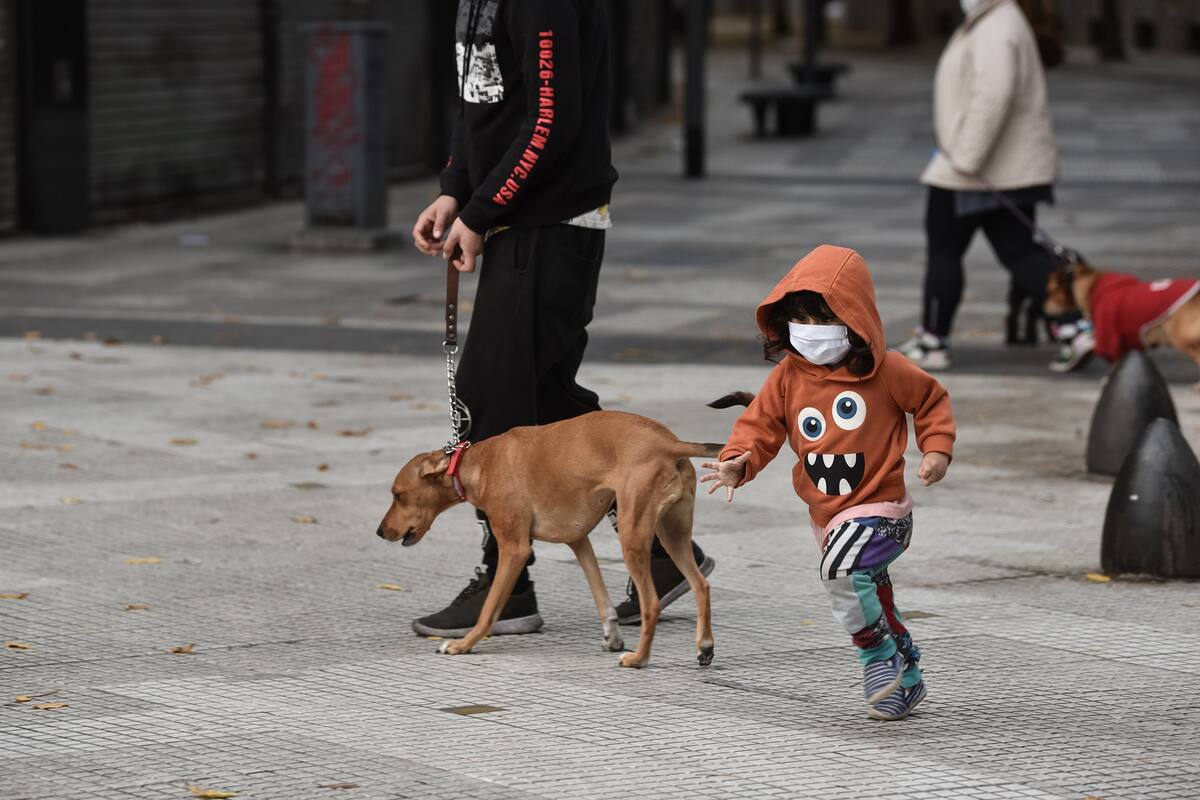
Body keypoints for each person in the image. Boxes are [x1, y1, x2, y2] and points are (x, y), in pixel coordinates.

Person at [409, 0, 713, 639]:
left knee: (490, 399)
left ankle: (509, 581)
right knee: (545, 398)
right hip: (518, 219)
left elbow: (549, 122)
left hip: (552, 224)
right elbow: (480, 97)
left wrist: (482, 209)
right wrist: (454, 190)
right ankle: (660, 551)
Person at [703, 245, 955, 721]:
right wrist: (738, 461)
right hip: (828, 515)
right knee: (873, 596)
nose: (812, 333)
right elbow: (759, 428)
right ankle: (908, 678)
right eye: (802, 320)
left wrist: (937, 449)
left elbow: (931, 400)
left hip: (882, 513)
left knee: (841, 572)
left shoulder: (888, 371)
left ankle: (877, 659)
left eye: (824, 320)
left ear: (854, 319)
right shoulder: (787, 377)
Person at [899, 0, 1093, 372]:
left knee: (945, 251)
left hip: (973, 168)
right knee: (1019, 252)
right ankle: (1073, 329)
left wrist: (965, 157)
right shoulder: (997, 18)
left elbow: (993, 94)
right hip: (1001, 167)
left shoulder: (996, 24)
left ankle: (932, 341)